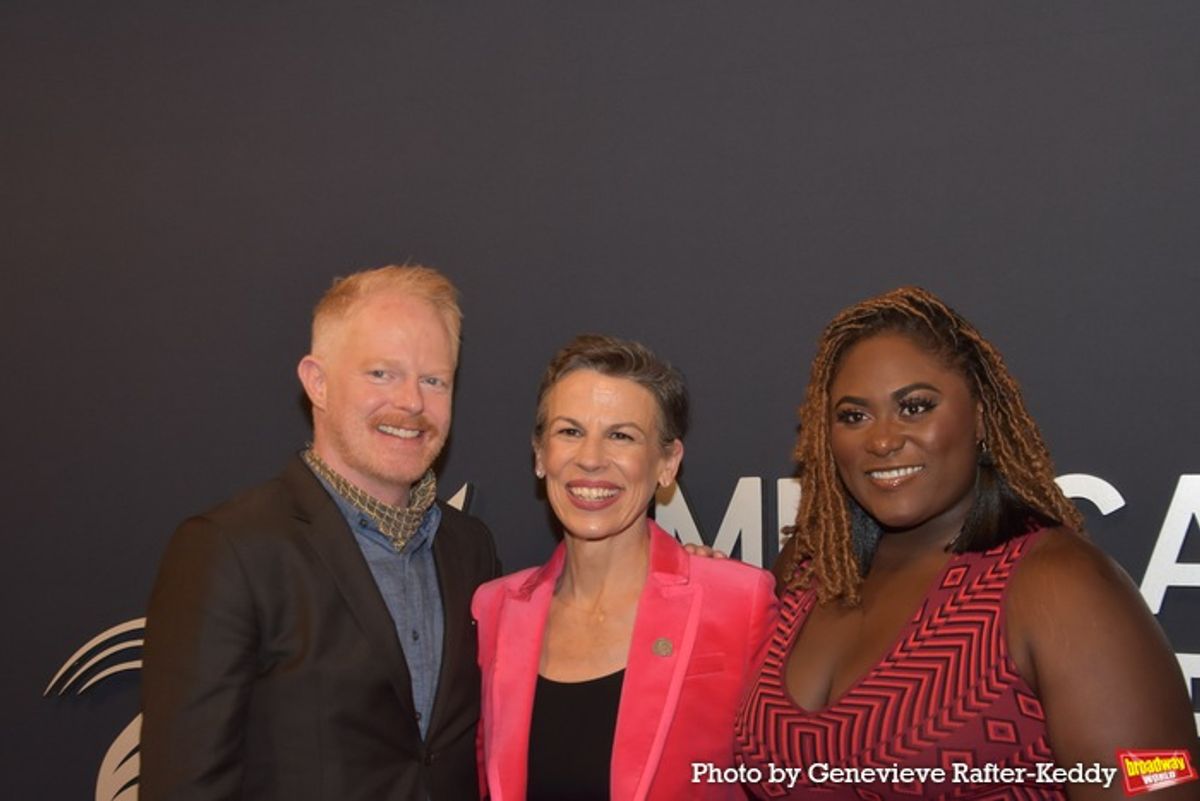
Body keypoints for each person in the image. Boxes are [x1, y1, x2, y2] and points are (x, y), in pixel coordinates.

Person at [735, 287, 1200, 800]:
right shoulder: (810, 568)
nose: (883, 440)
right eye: (853, 416)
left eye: (915, 407)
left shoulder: (1058, 584)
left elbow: (1162, 783)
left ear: (980, 416)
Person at [140, 264, 501, 801]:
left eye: (434, 380)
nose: (411, 402)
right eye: (381, 373)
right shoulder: (230, 549)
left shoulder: (470, 549)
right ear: (318, 382)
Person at [472, 334, 778, 801]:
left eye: (621, 436)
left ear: (667, 462)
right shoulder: (494, 610)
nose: (591, 459)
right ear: (540, 454)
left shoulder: (738, 602)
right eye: (569, 431)